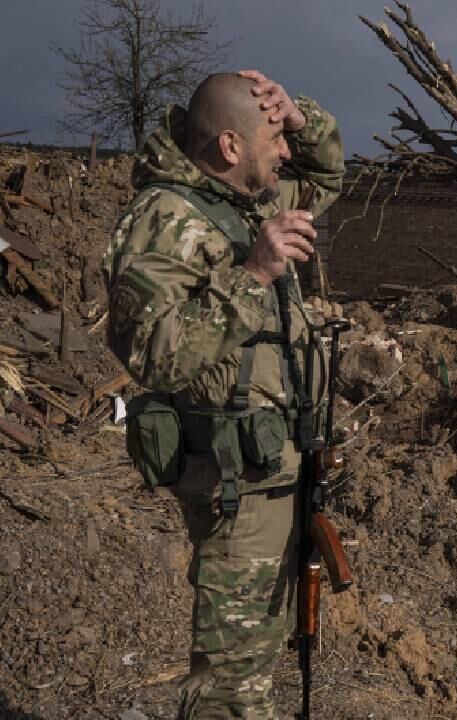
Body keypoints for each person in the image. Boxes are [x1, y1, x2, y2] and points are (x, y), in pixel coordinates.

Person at [102, 70, 344, 718]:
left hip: (278, 474)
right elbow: (152, 356)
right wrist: (252, 275)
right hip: (233, 486)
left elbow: (325, 177)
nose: (286, 153)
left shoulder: (246, 200)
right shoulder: (163, 221)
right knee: (229, 692)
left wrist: (301, 118)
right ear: (231, 147)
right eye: (275, 139)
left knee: (258, 669)